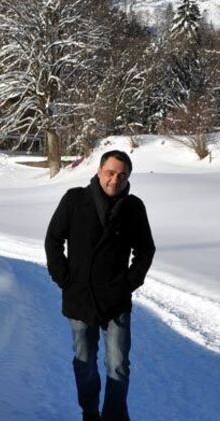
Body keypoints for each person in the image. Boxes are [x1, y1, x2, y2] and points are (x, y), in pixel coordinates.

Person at [45, 150, 155, 421]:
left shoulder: (133, 207)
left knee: (118, 364)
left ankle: (114, 416)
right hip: (80, 296)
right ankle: (90, 412)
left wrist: (128, 284)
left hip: (116, 299)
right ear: (99, 171)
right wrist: (64, 279)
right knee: (85, 362)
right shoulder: (74, 200)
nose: (115, 180)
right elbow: (53, 240)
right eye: (110, 172)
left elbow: (145, 250)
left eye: (122, 175)